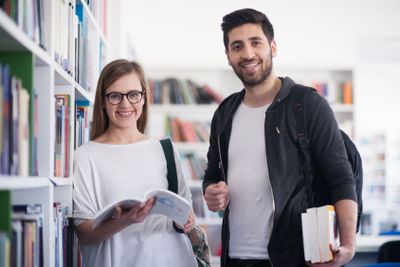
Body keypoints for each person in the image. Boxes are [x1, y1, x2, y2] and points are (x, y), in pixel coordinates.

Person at [202, 8, 358, 267]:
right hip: (235, 256)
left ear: (272, 47)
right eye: (237, 46)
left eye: (256, 42)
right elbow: (212, 175)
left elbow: (341, 177)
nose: (248, 54)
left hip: (294, 258)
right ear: (228, 56)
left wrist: (349, 245)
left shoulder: (308, 104)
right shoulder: (224, 112)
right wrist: (211, 192)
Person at [72, 59, 198, 267]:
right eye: (114, 96)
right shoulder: (86, 156)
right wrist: (126, 220)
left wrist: (187, 219)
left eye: (133, 95)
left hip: (173, 259)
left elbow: (186, 211)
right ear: (103, 101)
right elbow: (84, 234)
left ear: (143, 98)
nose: (125, 104)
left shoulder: (165, 149)